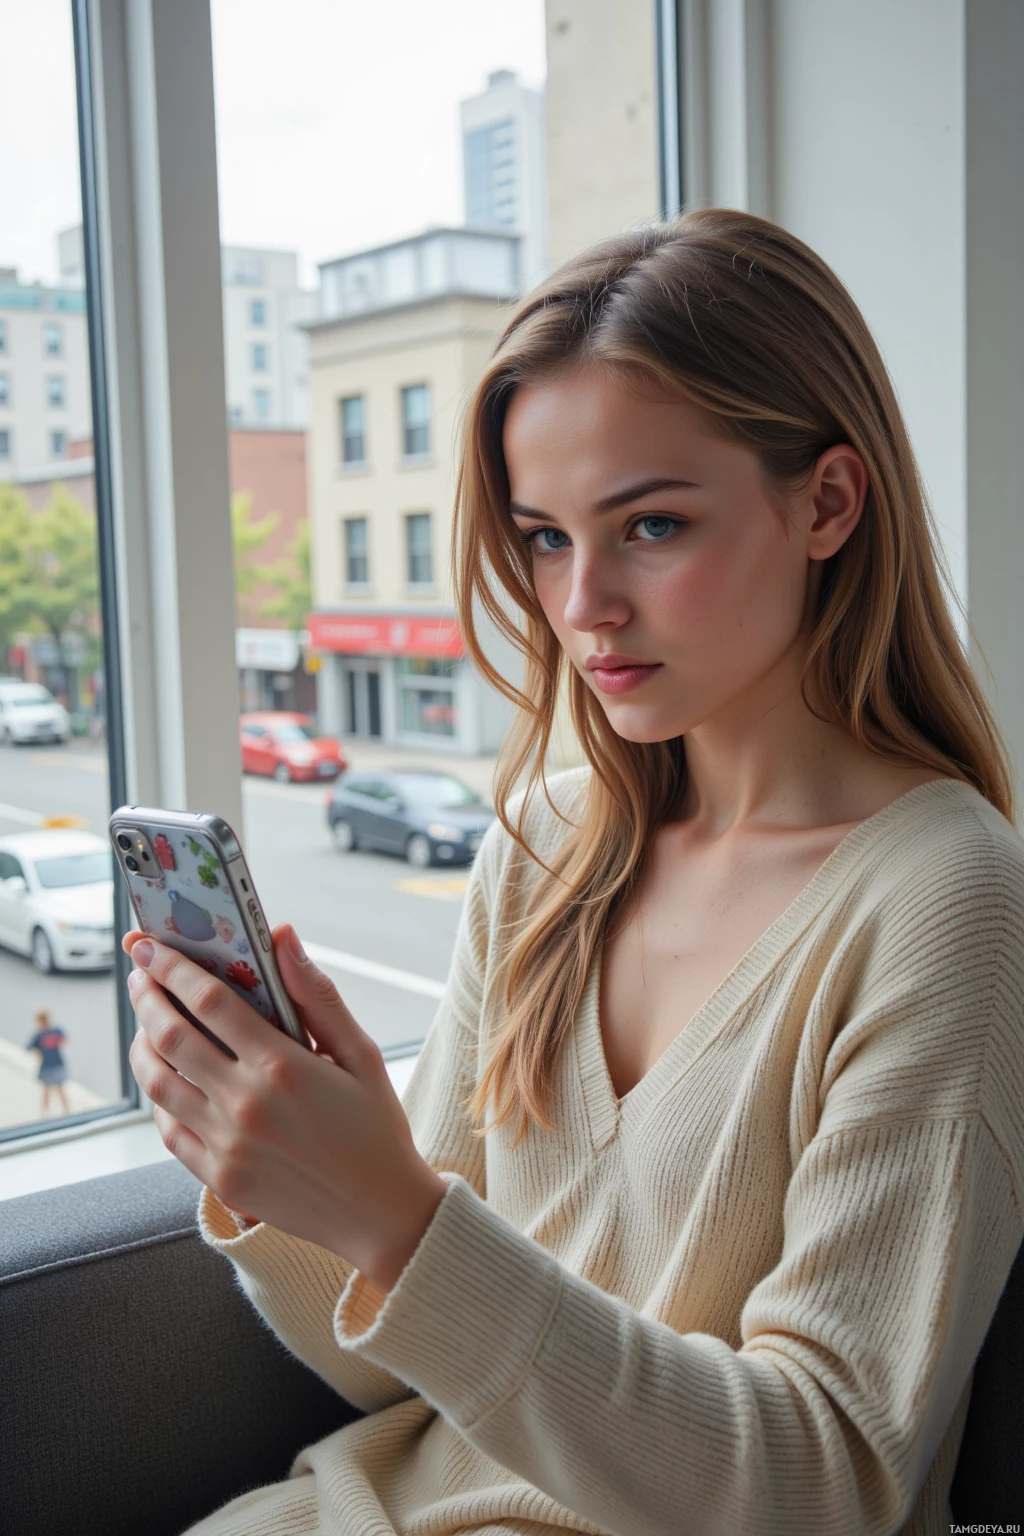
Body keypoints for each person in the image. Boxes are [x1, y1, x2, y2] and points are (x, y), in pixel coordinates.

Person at [123, 210, 1024, 1535]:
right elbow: (395, 1360)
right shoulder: (546, 849)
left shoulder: (945, 897)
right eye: (544, 536)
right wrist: (283, 1173)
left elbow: (827, 1478)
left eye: (650, 526)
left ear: (827, 503)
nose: (583, 603)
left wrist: (400, 1213)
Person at [26, 1008, 70, 1116]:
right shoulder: (43, 1033)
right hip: (50, 1064)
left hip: (53, 1064)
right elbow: (29, 1047)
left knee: (55, 1089)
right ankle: (48, 1112)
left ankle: (62, 1110)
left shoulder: (47, 1033)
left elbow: (65, 1040)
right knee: (49, 1090)